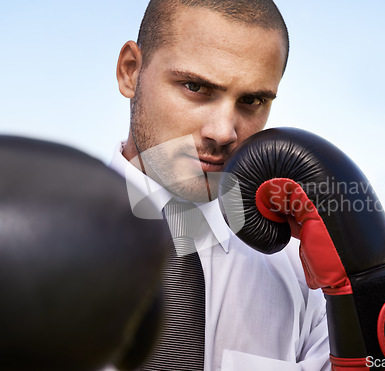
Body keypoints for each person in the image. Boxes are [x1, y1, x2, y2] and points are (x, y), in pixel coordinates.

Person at [109, 1, 330, 370]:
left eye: (252, 101)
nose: (223, 132)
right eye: (196, 87)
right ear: (130, 71)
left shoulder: (307, 277)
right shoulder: (32, 245)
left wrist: (366, 285)